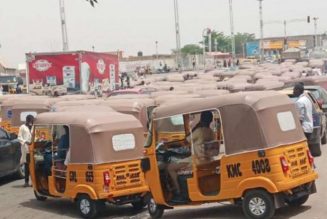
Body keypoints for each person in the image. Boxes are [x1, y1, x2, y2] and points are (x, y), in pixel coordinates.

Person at [167, 111, 215, 202]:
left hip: (197, 161)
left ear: (201, 119)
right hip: (209, 160)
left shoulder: (199, 131)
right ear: (211, 120)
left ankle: (179, 192)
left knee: (170, 167)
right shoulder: (211, 132)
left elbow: (185, 142)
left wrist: (169, 145)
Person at [18, 115, 34, 187]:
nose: (31, 122)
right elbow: (19, 137)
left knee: (32, 165)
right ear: (27, 120)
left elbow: (34, 136)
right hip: (26, 148)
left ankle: (33, 182)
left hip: (32, 148)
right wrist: (25, 142)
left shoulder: (33, 127)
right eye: (30, 121)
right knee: (27, 165)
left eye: (32, 121)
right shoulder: (22, 127)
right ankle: (26, 181)